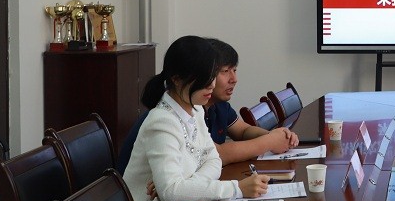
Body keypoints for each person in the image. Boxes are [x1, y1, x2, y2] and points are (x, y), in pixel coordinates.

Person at [123, 35, 269, 201]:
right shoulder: (161, 122)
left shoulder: (196, 109)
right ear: (176, 79)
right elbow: (171, 192)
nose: (211, 85)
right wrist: (236, 188)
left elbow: (214, 160)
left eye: (212, 76)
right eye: (204, 78)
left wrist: (187, 184)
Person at [117, 38, 298, 171]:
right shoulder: (176, 112)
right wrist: (269, 141)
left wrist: (277, 137)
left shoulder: (213, 105)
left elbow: (242, 131)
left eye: (234, 70)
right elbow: (218, 154)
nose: (234, 79)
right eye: (225, 71)